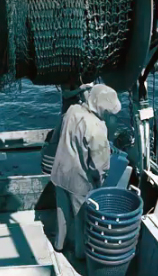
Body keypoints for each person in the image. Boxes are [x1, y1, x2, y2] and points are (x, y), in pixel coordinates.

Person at [50, 84, 122, 259]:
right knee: (82, 221)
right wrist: (100, 181)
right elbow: (99, 165)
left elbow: (57, 135)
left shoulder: (72, 110)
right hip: (79, 183)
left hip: (59, 174)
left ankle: (59, 245)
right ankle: (80, 254)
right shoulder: (97, 127)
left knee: (62, 214)